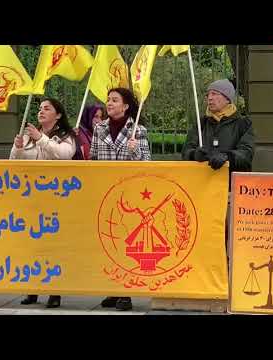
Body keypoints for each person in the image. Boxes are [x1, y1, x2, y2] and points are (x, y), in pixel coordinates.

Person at [10, 98, 76, 308]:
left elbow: (64, 156)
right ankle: (33, 289)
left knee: (52, 247)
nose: (41, 111)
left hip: (56, 199)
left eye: (47, 108)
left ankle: (55, 291)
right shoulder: (30, 135)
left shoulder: (66, 136)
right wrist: (18, 148)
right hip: (31, 198)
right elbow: (13, 164)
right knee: (31, 246)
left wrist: (41, 139)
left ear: (58, 115)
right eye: (39, 108)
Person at [90, 87, 151, 311]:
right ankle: (113, 289)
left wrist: (134, 150)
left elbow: (147, 162)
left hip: (129, 197)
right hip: (105, 192)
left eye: (115, 100)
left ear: (125, 106)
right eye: (108, 100)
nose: (109, 103)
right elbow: (94, 158)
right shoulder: (99, 128)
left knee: (126, 244)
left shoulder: (138, 129)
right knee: (108, 242)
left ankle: (127, 292)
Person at [182, 79, 254, 175]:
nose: (210, 98)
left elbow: (246, 154)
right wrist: (194, 154)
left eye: (215, 94)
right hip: (204, 182)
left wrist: (227, 156)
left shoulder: (243, 124)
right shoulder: (201, 123)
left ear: (227, 99)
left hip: (230, 184)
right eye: (208, 95)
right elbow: (186, 151)